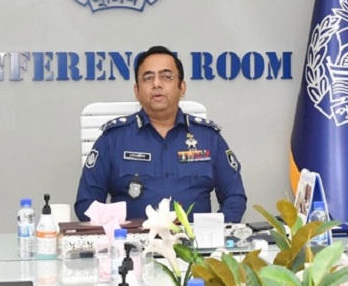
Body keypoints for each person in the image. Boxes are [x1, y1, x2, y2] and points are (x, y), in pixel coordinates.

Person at [74, 46, 247, 222]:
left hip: (194, 238)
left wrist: (212, 231)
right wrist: (119, 230)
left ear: (182, 88)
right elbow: (86, 204)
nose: (157, 84)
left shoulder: (208, 137)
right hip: (131, 238)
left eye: (166, 77)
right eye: (148, 78)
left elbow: (235, 197)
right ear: (137, 90)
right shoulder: (113, 139)